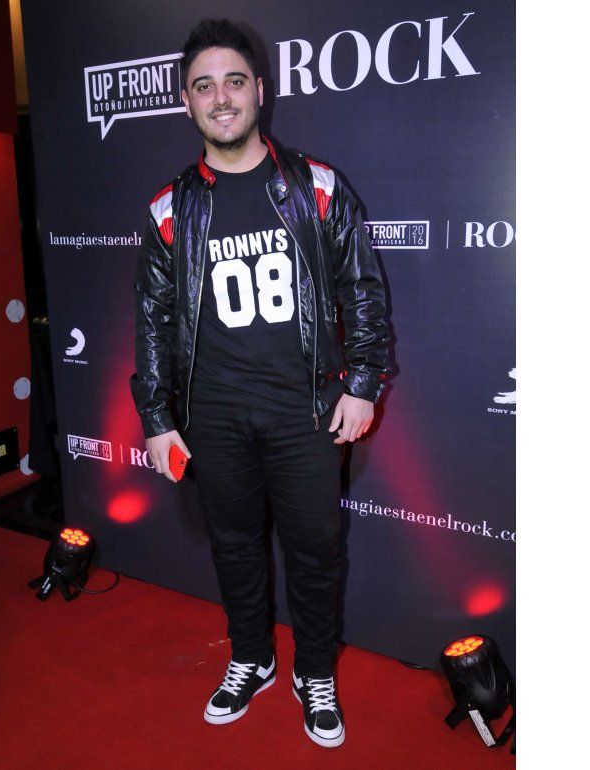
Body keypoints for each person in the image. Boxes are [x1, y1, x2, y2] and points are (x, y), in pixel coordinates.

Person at [130, 18, 390, 749]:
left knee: (315, 551)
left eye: (234, 81)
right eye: (204, 85)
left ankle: (315, 670)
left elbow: (363, 289)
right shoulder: (170, 208)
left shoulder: (317, 186)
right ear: (186, 101)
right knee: (235, 548)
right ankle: (252, 657)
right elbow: (151, 319)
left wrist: (363, 381)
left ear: (260, 91)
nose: (221, 97)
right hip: (213, 417)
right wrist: (157, 418)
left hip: (305, 413)